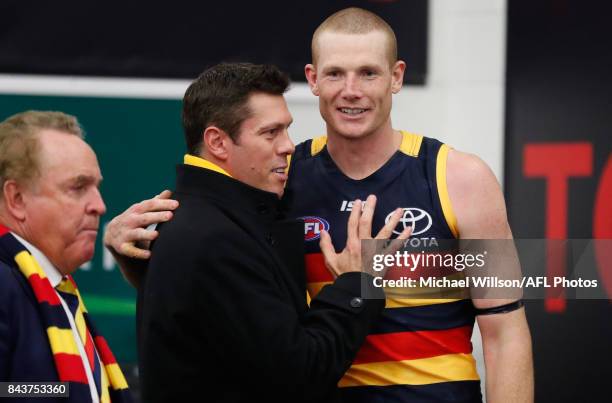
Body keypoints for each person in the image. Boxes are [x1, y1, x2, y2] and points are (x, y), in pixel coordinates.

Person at [106, 8, 534, 403]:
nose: (352, 91)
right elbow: (216, 293)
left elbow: (504, 333)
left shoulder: (459, 178)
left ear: (396, 76)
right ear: (312, 79)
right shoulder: (278, 180)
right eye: (335, 74)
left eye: (368, 73)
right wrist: (131, 250)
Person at [133, 62, 410, 403]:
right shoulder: (215, 238)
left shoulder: (209, 218)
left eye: (287, 130)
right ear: (218, 142)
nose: (289, 145)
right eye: (270, 133)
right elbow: (301, 373)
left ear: (396, 77)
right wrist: (357, 283)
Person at [0, 111, 132, 403]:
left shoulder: (56, 288)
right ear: (17, 199)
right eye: (78, 187)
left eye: (96, 187)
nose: (99, 205)